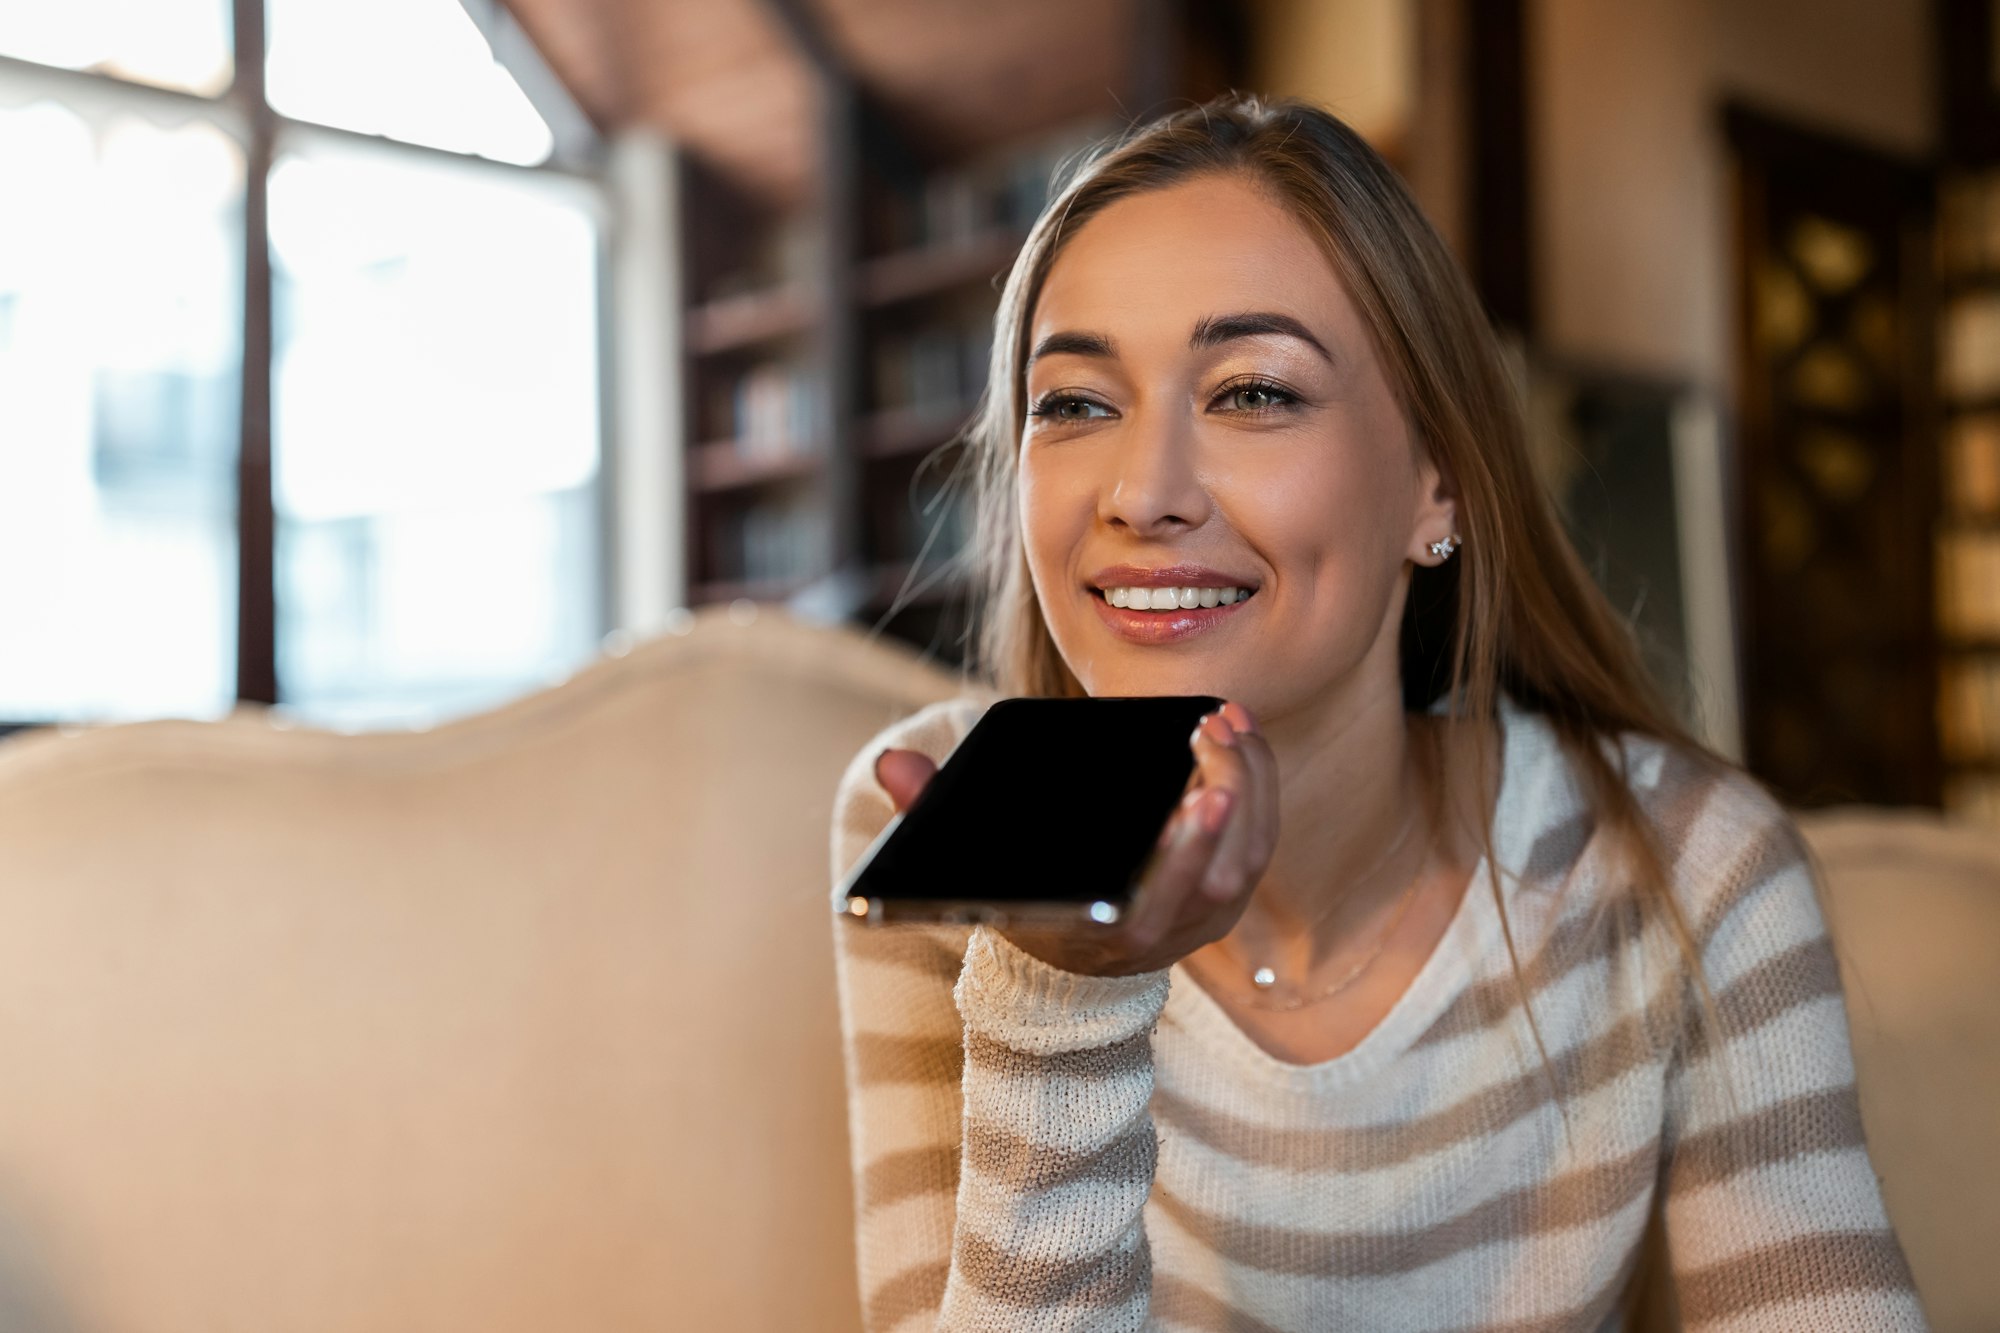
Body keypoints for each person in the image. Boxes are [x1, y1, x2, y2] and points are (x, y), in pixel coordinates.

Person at [827, 94, 1926, 1332]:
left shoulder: (1687, 865)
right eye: (1075, 403)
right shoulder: (928, 820)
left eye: (1251, 392)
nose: (1141, 492)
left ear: (1435, 483)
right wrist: (1062, 1000)